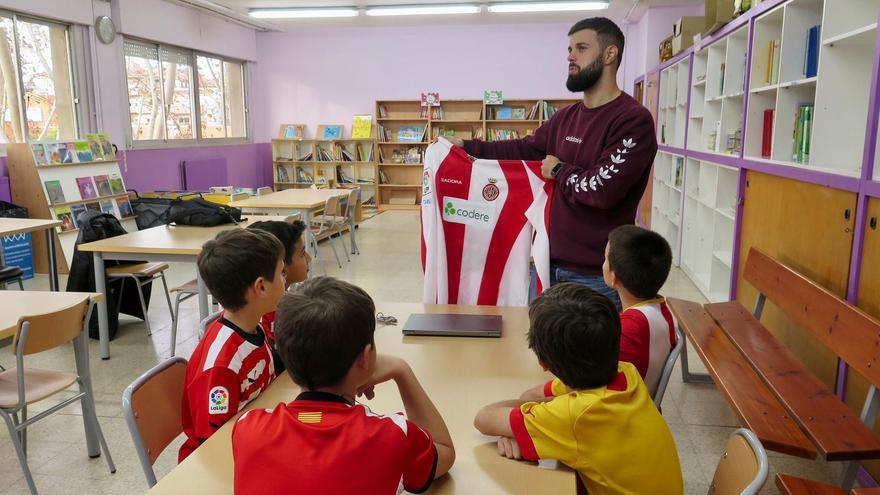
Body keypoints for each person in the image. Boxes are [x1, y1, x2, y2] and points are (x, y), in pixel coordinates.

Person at [445, 17, 658, 309]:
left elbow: (602, 191)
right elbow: (524, 147)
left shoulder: (633, 120)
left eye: (581, 48)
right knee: (541, 353)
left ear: (610, 54)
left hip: (597, 278)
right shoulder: (565, 117)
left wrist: (558, 170)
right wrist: (468, 147)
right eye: (569, 49)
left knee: (585, 355)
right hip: (546, 265)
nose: (571, 56)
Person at [232, 277, 455, 494]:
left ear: (281, 351)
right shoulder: (392, 436)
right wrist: (402, 371)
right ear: (366, 357)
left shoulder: (247, 428)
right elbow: (444, 452)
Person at [473, 283, 683, 494]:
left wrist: (525, 426)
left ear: (542, 364)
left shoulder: (575, 416)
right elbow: (531, 396)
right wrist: (531, 424)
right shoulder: (626, 373)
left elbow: (484, 418)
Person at [522, 225, 675, 399]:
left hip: (617, 410)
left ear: (613, 276)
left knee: (528, 396)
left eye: (605, 259)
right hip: (635, 401)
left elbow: (585, 382)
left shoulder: (626, 330)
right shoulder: (660, 308)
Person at [178, 229, 286, 462]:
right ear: (261, 287)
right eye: (282, 273)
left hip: (255, 437)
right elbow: (215, 444)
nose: (285, 280)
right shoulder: (221, 366)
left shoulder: (252, 326)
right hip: (223, 460)